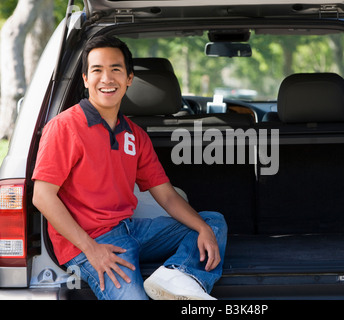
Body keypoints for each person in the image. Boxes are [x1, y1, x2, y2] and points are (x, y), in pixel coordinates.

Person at [32, 35, 227, 300]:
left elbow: (167, 196)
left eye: (116, 69)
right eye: (97, 70)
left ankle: (181, 276)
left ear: (129, 78)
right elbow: (42, 196)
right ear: (86, 79)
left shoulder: (135, 135)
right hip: (88, 243)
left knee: (212, 222)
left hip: (131, 229)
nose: (107, 78)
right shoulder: (65, 127)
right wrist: (92, 250)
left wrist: (202, 229)